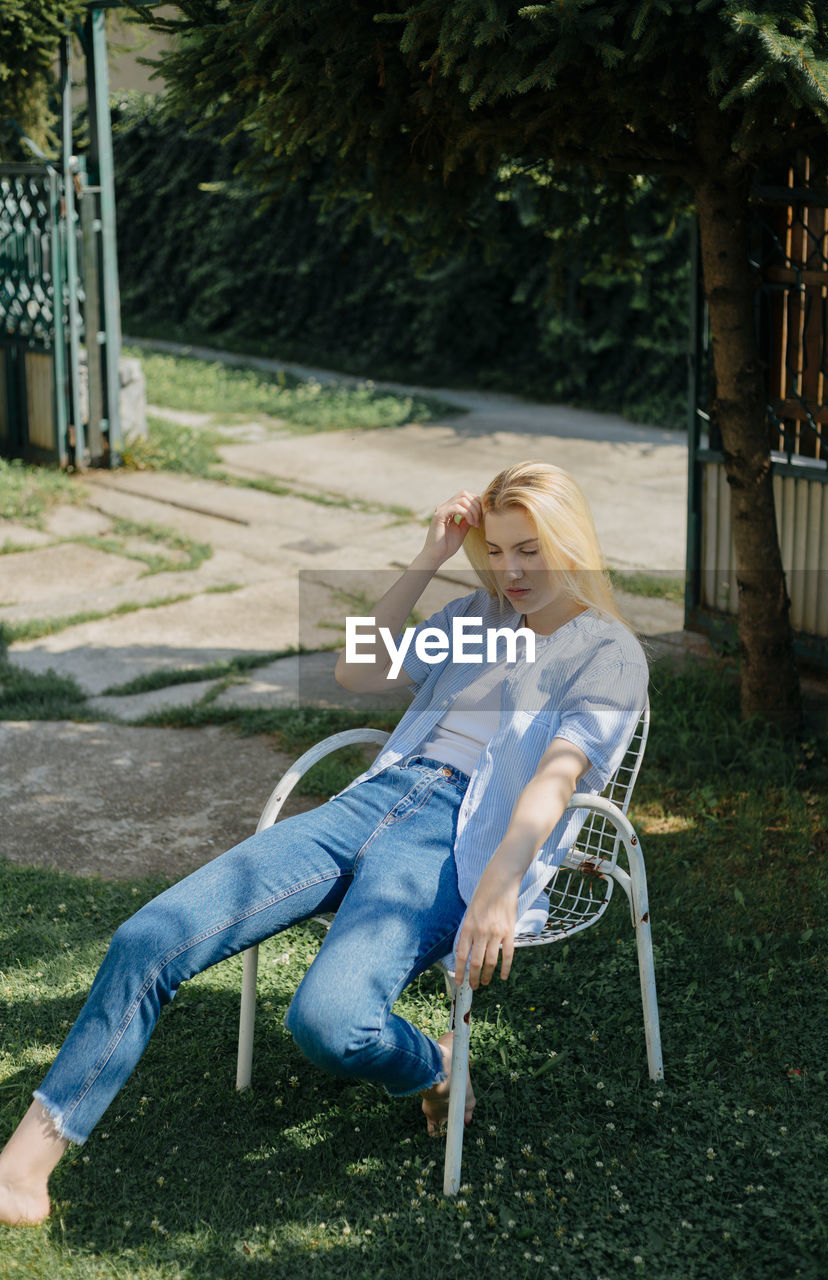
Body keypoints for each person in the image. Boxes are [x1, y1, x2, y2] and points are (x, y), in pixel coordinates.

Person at [0, 460, 648, 1226]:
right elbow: (356, 669)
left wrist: (502, 884)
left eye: (530, 550)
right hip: (368, 803)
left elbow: (556, 777)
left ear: (570, 543)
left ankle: (434, 1067)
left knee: (331, 1025)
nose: (510, 570)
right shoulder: (478, 617)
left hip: (451, 845)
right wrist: (427, 558)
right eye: (497, 549)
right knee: (152, 936)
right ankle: (26, 1163)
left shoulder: (607, 653)